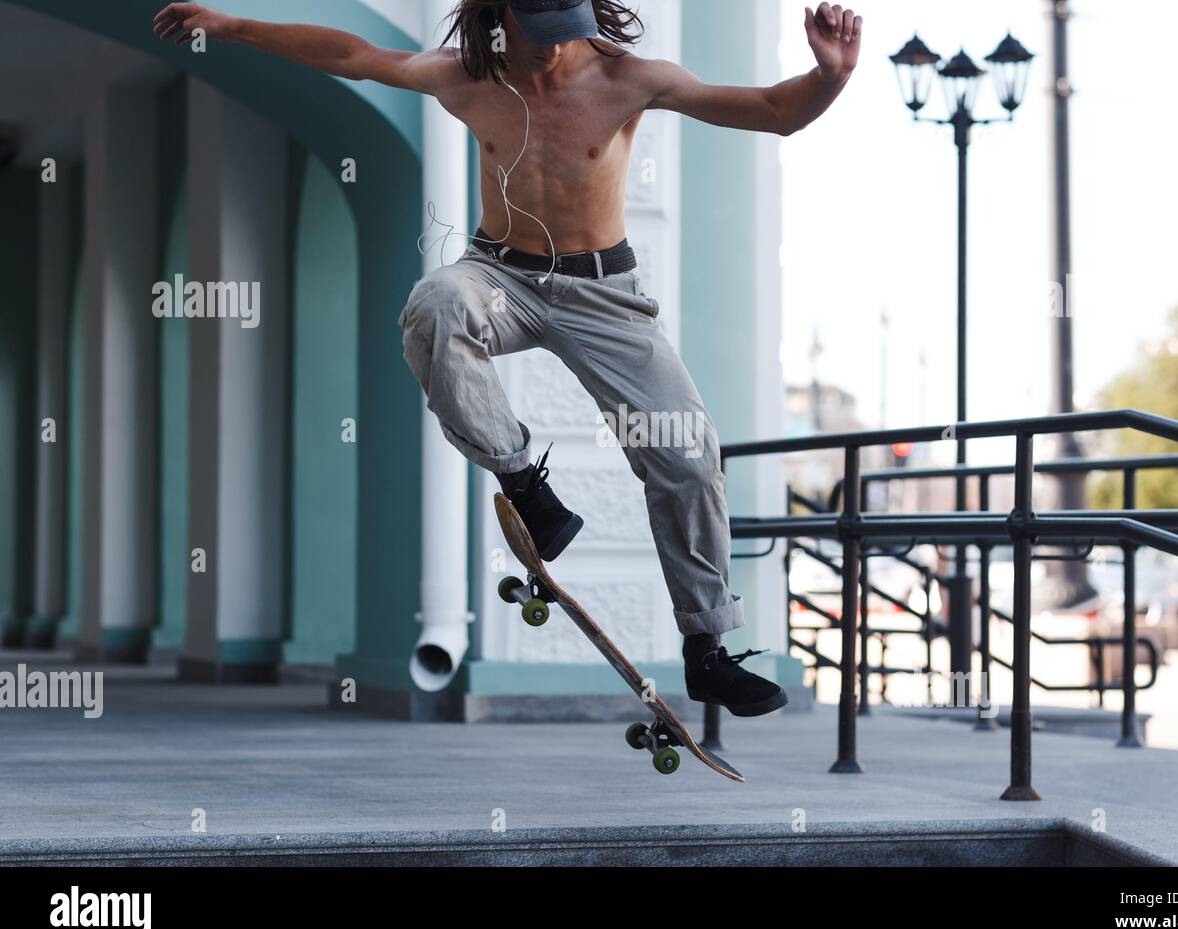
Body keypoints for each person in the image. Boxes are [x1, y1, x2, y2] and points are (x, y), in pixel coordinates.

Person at [154, 0, 860, 717]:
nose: (557, 51)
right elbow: (351, 55)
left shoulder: (632, 79)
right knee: (435, 305)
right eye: (540, 36)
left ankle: (706, 649)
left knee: (688, 454)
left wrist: (828, 77)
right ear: (502, 17)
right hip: (501, 278)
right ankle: (525, 484)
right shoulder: (466, 78)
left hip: (602, 293)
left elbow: (772, 109)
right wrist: (233, 26)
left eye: (569, 32)